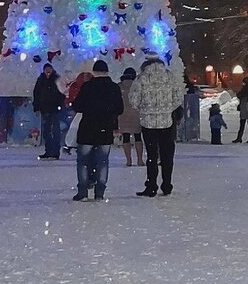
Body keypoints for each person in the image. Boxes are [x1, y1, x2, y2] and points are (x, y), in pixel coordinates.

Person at [128, 54, 186, 197]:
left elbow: (133, 100)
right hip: (166, 122)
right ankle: (167, 185)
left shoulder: (141, 78)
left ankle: (151, 186)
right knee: (167, 155)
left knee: (152, 156)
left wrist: (144, 108)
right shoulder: (169, 76)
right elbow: (179, 97)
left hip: (148, 123)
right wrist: (167, 108)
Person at [70, 59, 124, 201]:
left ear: (94, 72)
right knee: (103, 161)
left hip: (87, 128)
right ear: (107, 72)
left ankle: (83, 191)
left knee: (83, 161)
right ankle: (100, 192)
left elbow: (77, 106)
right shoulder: (114, 88)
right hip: (105, 129)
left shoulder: (87, 87)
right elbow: (120, 109)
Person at [33, 62, 64, 160]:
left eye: (49, 69)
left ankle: (55, 152)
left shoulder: (56, 79)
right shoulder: (41, 80)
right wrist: (37, 108)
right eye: (46, 69)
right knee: (46, 132)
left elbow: (61, 93)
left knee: (55, 131)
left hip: (54, 109)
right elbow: (36, 94)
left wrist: (59, 104)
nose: (48, 71)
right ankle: (48, 151)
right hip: (45, 109)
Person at [117, 66, 144, 166]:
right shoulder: (138, 86)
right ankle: (140, 160)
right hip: (136, 114)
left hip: (122, 114)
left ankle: (128, 160)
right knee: (138, 137)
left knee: (126, 137)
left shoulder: (119, 86)